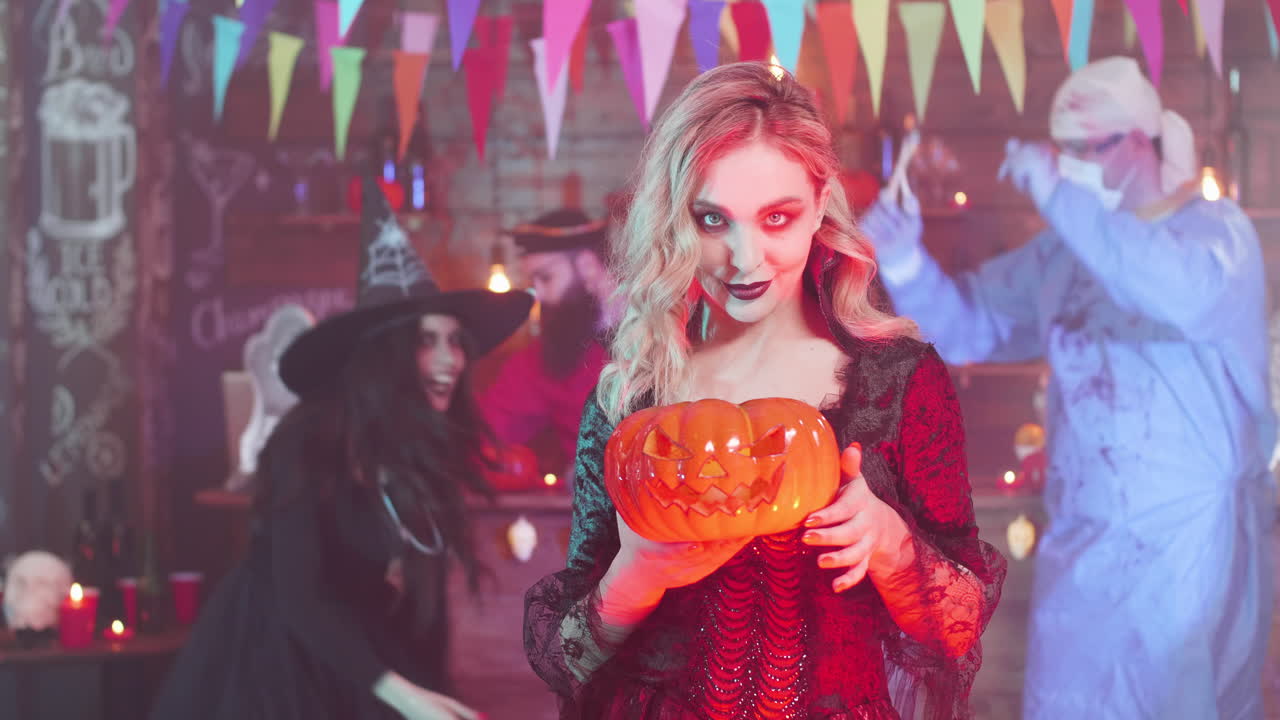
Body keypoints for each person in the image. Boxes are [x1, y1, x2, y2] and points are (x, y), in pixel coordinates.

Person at [523, 62, 1006, 720]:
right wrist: (635, 575)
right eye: (713, 221)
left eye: (777, 218)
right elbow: (563, 657)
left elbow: (959, 629)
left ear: (820, 209)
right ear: (674, 222)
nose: (745, 258)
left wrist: (893, 545)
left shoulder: (898, 382)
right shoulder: (632, 394)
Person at [861, 56, 1275, 719]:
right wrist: (907, 259)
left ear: (1140, 140)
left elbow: (1162, 286)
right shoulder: (1063, 254)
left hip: (1189, 545)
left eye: (1086, 151)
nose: (1071, 166)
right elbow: (970, 330)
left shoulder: (1214, 239)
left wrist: (1059, 192)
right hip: (1087, 538)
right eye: (1064, 153)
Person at [151, 179, 533, 720]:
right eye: (427, 340)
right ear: (385, 354)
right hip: (275, 666)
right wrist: (405, 696)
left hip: (365, 666)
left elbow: (420, 608)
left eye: (455, 340)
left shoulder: (423, 452)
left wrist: (427, 692)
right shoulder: (307, 443)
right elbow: (301, 599)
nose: (450, 358)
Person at [481, 209, 615, 476]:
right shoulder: (549, 356)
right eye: (533, 282)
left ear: (587, 266)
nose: (537, 295)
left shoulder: (668, 328)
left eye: (546, 278)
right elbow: (486, 429)